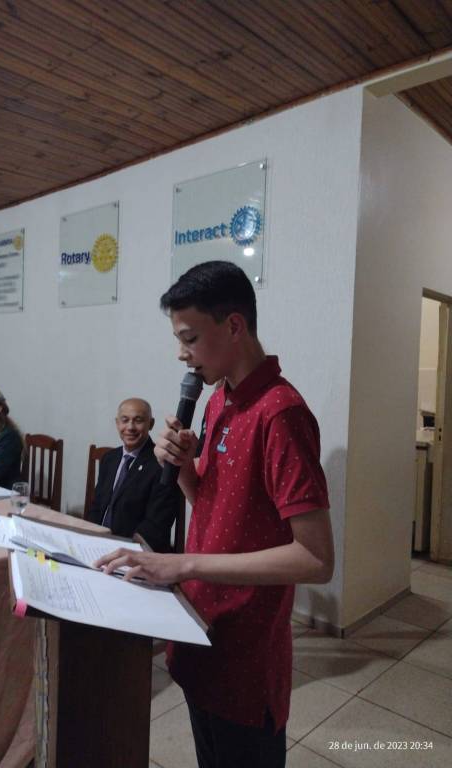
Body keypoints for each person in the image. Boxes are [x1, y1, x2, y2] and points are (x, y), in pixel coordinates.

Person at [96, 261, 334, 768]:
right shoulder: (218, 399)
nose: (181, 354)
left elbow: (316, 559)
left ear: (234, 326)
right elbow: (212, 506)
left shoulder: (281, 413)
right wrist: (184, 467)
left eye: (190, 338)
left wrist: (182, 563)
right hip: (200, 627)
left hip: (245, 652)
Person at [87, 398, 182, 553]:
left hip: (133, 551)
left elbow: (156, 524)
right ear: (117, 423)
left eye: (138, 421)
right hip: (98, 544)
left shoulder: (162, 464)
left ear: (150, 424)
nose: (130, 427)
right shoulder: (109, 459)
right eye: (125, 420)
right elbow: (97, 506)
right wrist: (87, 537)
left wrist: (126, 551)